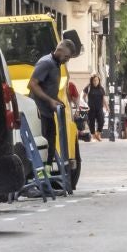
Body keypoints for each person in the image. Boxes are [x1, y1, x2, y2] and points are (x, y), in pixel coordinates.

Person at [28, 40, 73, 174]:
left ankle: (46, 174)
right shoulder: (46, 63)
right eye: (66, 56)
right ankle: (39, 175)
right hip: (40, 112)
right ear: (59, 50)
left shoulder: (56, 64)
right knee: (42, 146)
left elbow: (48, 89)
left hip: (48, 111)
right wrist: (50, 100)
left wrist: (56, 100)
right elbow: (32, 84)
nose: (67, 60)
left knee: (51, 146)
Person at [86, 77, 106, 143]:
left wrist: (107, 107)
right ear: (92, 81)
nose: (95, 82)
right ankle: (93, 135)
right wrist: (85, 105)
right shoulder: (89, 87)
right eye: (94, 80)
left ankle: (98, 134)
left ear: (99, 81)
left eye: (97, 80)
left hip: (99, 108)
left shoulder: (101, 88)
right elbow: (83, 96)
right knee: (91, 122)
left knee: (102, 121)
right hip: (91, 108)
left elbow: (103, 99)